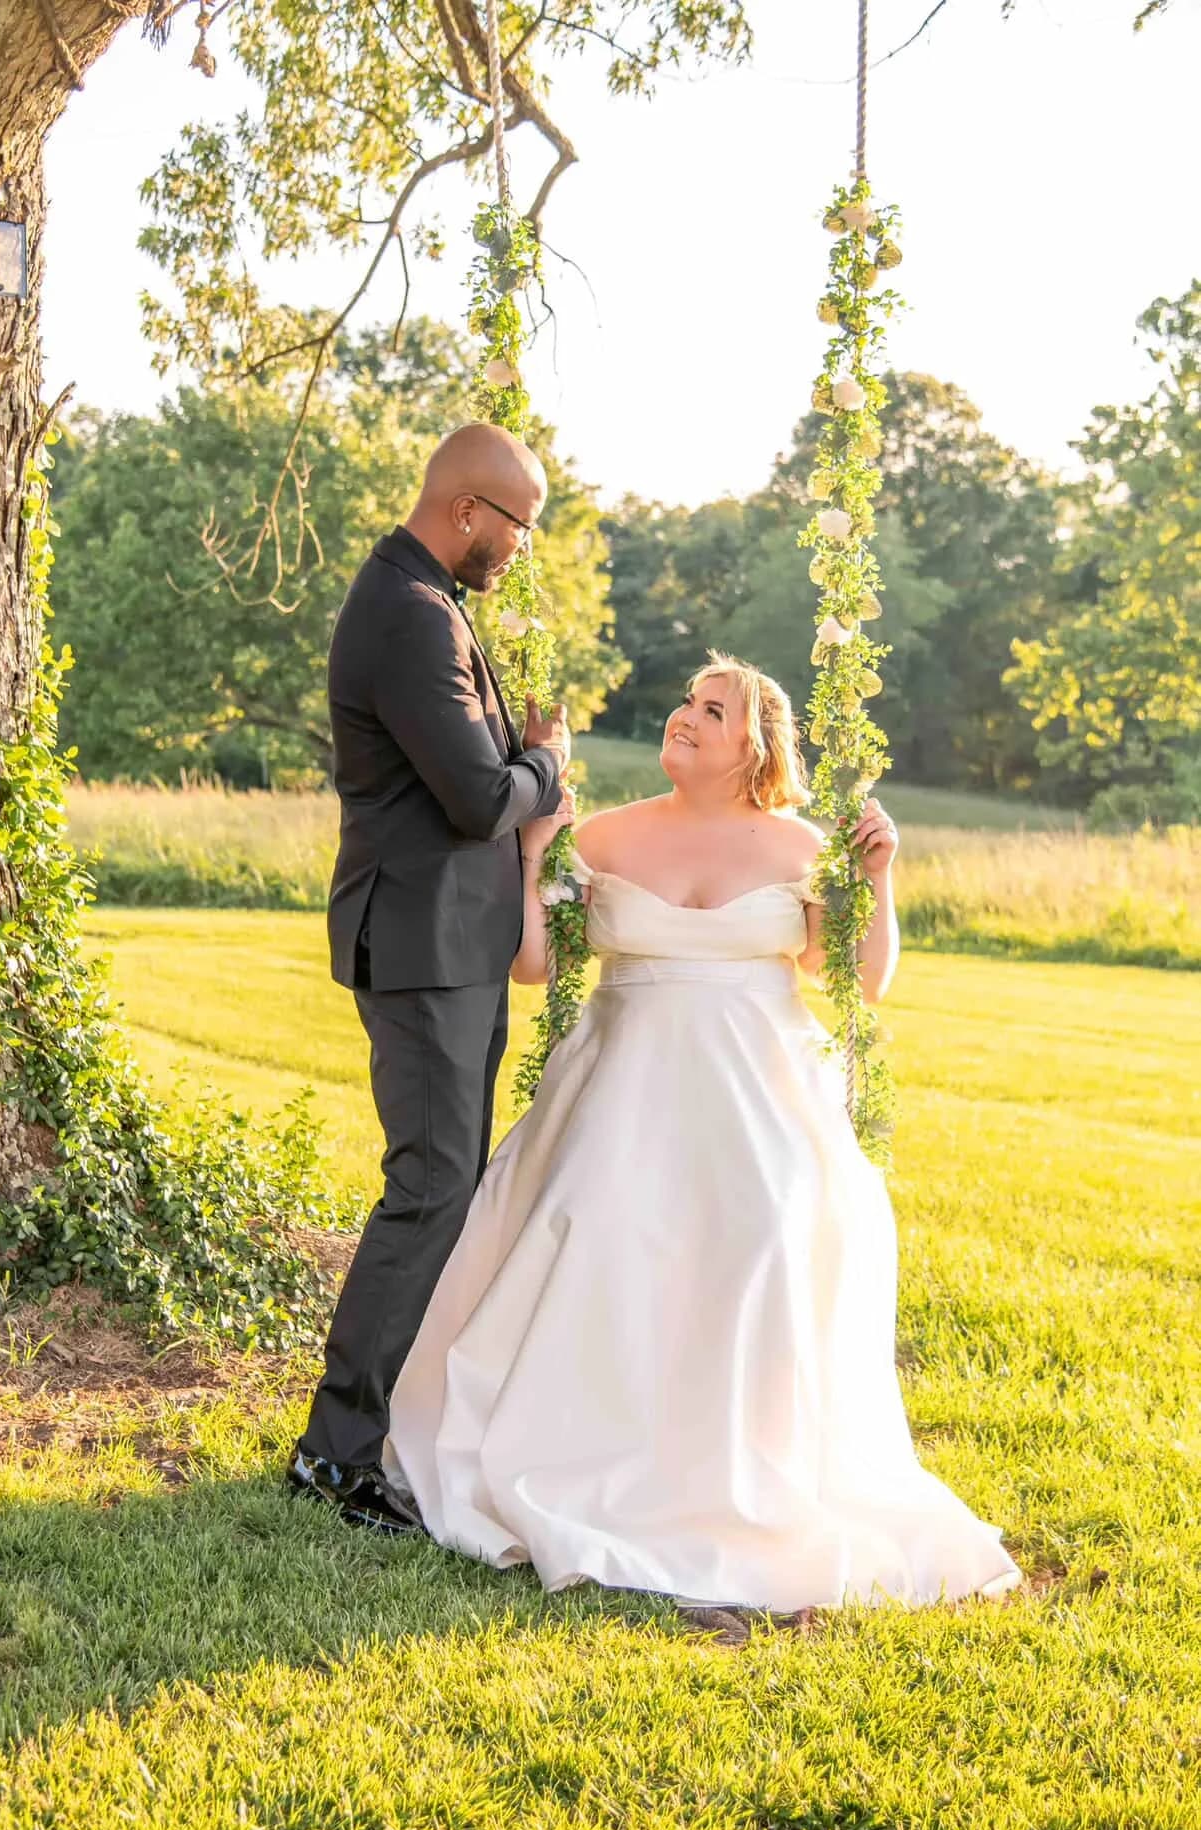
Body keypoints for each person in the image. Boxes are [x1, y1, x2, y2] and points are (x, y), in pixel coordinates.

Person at [385, 653, 1022, 1612]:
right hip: (619, 1086)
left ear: (752, 747)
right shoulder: (601, 833)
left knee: (763, 1239)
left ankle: (734, 1469)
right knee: (597, 1229)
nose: (685, 715)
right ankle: (583, 1448)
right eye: (688, 700)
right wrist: (532, 856)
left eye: (711, 709)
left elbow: (861, 976)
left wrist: (878, 879)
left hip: (758, 1093)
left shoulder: (803, 844)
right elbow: (531, 964)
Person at [291, 423, 571, 1532]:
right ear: (467, 512)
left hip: (449, 947)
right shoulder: (410, 615)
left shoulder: (427, 599)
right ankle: (335, 1453)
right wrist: (545, 763)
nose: (519, 549)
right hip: (417, 950)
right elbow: (472, 796)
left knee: (443, 1189)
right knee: (428, 1190)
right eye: (518, 527)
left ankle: (382, 1429)